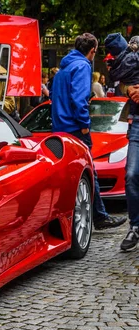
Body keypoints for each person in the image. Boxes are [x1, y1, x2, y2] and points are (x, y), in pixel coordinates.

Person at [51, 33, 126, 231]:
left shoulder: (63, 68)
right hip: (76, 128)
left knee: (68, 175)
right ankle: (100, 217)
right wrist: (84, 124)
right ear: (92, 51)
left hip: (60, 128)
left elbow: (54, 95)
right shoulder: (82, 66)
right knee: (89, 172)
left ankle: (78, 218)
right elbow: (79, 99)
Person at [104, 33, 139, 250]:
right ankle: (135, 226)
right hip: (137, 123)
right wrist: (129, 88)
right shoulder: (131, 55)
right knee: (132, 174)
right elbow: (118, 79)